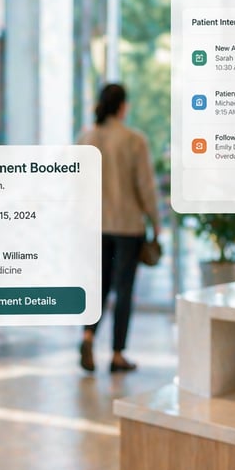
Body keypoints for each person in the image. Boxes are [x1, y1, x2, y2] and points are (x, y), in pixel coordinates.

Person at [75, 83, 160, 373]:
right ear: (122, 106)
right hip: (127, 227)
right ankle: (117, 354)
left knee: (97, 288)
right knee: (124, 290)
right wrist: (156, 223)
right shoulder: (135, 140)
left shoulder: (86, 139)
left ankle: (87, 336)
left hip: (95, 227)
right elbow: (146, 188)